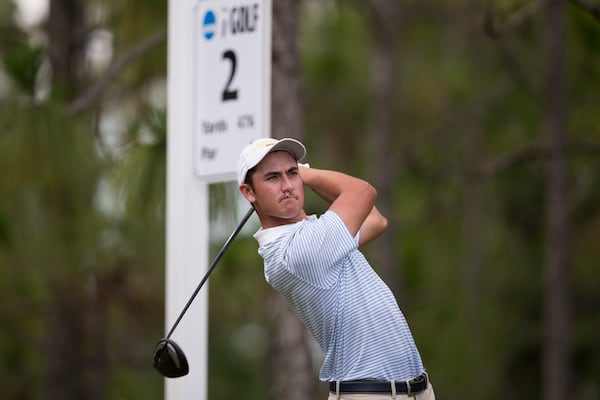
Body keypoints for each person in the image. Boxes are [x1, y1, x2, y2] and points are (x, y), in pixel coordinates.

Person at [237, 137, 435, 400]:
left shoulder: (316, 236)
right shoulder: (298, 251)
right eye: (273, 178)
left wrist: (298, 175)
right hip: (370, 394)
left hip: (412, 390)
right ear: (249, 192)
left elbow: (375, 220)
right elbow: (363, 192)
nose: (287, 186)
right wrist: (307, 174)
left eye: (291, 173)